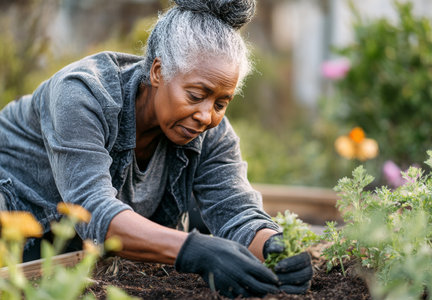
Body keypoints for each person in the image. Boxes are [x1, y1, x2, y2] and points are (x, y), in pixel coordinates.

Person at [0, 0, 312, 297]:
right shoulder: (81, 95)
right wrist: (194, 250)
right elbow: (92, 210)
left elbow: (236, 211)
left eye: (220, 103)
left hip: (81, 252)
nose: (206, 116)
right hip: (17, 231)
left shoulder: (210, 133)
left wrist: (274, 249)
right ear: (158, 72)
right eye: (195, 95)